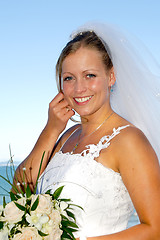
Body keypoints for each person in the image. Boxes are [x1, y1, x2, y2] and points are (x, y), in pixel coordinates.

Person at [14, 22, 160, 239]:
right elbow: (19, 189)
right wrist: (51, 130)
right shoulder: (66, 136)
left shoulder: (129, 140)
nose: (79, 88)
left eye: (89, 75)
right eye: (69, 78)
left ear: (111, 77)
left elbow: (154, 228)